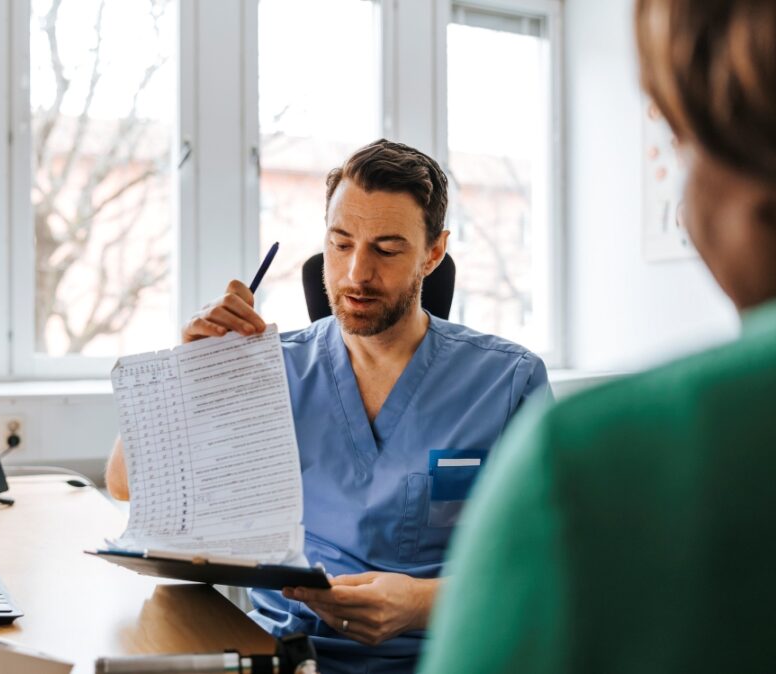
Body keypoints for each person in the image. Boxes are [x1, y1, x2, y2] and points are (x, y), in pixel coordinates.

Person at [418, 1, 776, 672]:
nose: (356, 271)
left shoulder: (584, 462)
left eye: (677, 142)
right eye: (340, 242)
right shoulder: (287, 369)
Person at [106, 139, 550, 673]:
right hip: (288, 657)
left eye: (386, 249)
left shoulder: (506, 381)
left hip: (443, 655)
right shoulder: (270, 369)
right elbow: (127, 484)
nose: (356, 274)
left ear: (433, 253)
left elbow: (558, 564)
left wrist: (419, 606)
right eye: (340, 244)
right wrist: (189, 372)